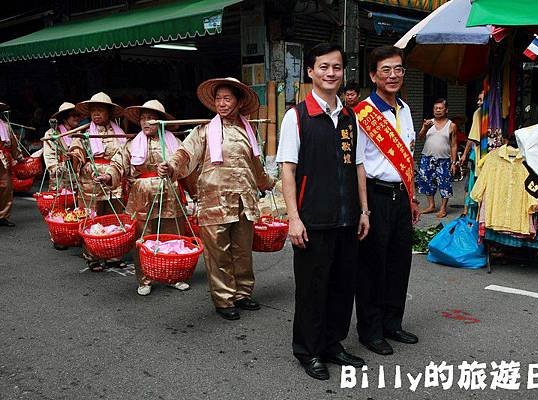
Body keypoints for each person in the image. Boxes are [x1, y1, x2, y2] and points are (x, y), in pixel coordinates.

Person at [277, 43, 370, 381]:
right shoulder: (297, 116)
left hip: (347, 218)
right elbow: (287, 169)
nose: (331, 73)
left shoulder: (349, 117)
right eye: (324, 67)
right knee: (312, 289)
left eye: (337, 67)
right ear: (311, 72)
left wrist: (364, 210)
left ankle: (333, 344)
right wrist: (294, 217)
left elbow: (358, 165)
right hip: (312, 219)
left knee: (342, 287)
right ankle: (309, 350)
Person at [158, 78, 274, 320]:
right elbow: (184, 153)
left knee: (242, 251)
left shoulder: (247, 132)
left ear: (239, 102)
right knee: (218, 253)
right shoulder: (203, 131)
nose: (222, 103)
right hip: (214, 201)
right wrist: (170, 166)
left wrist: (269, 183)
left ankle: (242, 293)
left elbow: (255, 166)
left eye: (227, 98)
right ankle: (224, 299)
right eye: (218, 98)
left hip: (243, 201)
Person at [354, 45, 420, 357]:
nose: (393, 76)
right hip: (376, 196)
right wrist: (364, 208)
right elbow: (359, 165)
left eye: (398, 70)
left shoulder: (405, 109)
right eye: (386, 71)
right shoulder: (363, 114)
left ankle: (393, 322)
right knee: (371, 266)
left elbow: (407, 158)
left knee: (399, 263)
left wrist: (413, 195)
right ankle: (371, 330)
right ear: (373, 75)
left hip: (401, 197)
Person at [95, 100, 190, 296]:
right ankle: (145, 278)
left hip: (170, 194)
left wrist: (195, 193)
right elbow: (118, 163)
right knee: (142, 238)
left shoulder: (175, 143)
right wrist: (108, 176)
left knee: (173, 236)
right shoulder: (132, 144)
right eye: (143, 119)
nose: (146, 123)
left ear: (161, 121)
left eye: (151, 119)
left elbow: (187, 167)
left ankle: (174, 275)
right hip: (142, 195)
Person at [71, 92, 127, 271]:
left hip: (114, 181)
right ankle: (92, 256)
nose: (96, 114)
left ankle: (114, 255)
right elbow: (77, 150)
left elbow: (125, 153)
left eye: (100, 110)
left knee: (114, 219)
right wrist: (73, 156)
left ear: (109, 113)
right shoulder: (84, 133)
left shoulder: (119, 133)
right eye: (93, 110)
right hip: (91, 181)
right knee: (92, 219)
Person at [417, 98, 458, 218]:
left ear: (446, 110)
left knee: (444, 183)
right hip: (427, 157)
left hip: (444, 159)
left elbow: (454, 145)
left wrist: (453, 162)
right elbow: (419, 137)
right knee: (426, 181)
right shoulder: (428, 123)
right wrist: (424, 127)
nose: (438, 110)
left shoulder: (452, 125)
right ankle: (431, 205)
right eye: (436, 108)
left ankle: (443, 208)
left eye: (440, 108)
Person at [42, 102, 82, 191]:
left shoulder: (80, 133)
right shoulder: (52, 133)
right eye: (73, 115)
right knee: (60, 202)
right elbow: (49, 156)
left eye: (78, 115)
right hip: (60, 177)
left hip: (76, 177)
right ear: (64, 118)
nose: (77, 118)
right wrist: (58, 167)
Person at [0, 102, 24, 227]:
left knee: (6, 187)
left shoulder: (5, 126)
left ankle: (2, 216)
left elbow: (13, 143)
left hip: (4, 160)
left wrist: (19, 157)